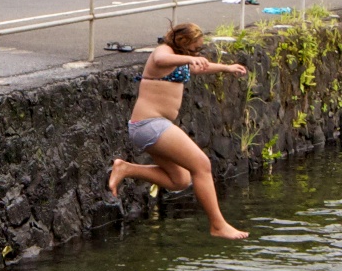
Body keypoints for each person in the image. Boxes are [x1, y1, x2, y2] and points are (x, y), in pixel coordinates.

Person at [107, 22, 251, 240]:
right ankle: (218, 225)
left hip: (152, 127)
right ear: (182, 43)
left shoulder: (182, 59)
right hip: (150, 124)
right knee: (202, 165)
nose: (197, 53)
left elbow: (197, 67)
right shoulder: (164, 51)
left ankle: (126, 169)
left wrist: (226, 68)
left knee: (180, 180)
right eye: (195, 49)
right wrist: (188, 58)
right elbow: (161, 60)